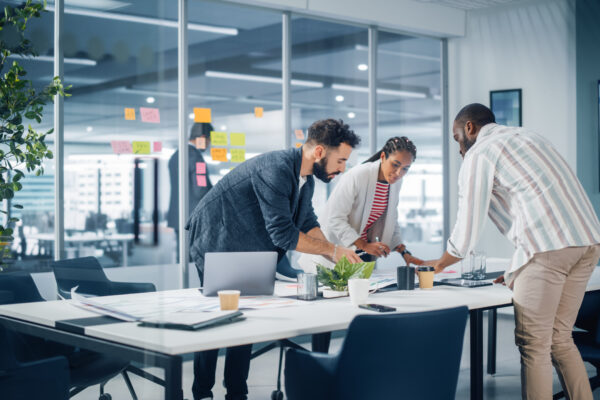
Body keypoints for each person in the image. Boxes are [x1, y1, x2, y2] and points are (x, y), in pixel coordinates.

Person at [428, 103, 600, 399]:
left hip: (549, 249)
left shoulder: (480, 152)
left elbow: (469, 218)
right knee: (560, 339)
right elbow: (531, 207)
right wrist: (519, 269)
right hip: (587, 242)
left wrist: (441, 263)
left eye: (457, 138)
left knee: (534, 345)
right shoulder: (530, 137)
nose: (459, 149)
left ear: (469, 128)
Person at [186, 118, 363, 400]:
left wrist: (336, 253)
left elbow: (306, 221)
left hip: (247, 244)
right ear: (319, 153)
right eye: (340, 161)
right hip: (215, 239)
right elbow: (283, 233)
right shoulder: (277, 168)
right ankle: (202, 392)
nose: (342, 169)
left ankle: (236, 392)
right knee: (217, 318)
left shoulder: (304, 180)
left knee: (245, 316)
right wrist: (332, 251)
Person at [300, 136, 425, 271]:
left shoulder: (395, 183)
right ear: (383, 157)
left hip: (360, 253)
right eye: (395, 164)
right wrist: (364, 245)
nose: (399, 173)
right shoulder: (358, 175)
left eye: (406, 168)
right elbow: (335, 218)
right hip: (335, 251)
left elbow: (391, 219)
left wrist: (404, 253)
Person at [167, 123, 213, 261]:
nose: (209, 145)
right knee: (196, 259)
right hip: (195, 219)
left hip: (178, 217)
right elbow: (200, 189)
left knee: (182, 258)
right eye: (209, 141)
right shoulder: (196, 157)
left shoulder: (175, 155)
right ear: (203, 138)